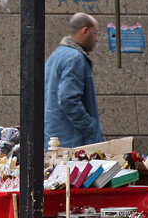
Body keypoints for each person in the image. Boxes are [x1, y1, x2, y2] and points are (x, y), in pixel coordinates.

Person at [44, 12, 104, 150]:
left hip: (54, 137)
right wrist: (90, 127)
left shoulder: (56, 55)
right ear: (85, 31)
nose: (96, 39)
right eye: (95, 33)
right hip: (71, 141)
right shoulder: (75, 59)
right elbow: (68, 99)